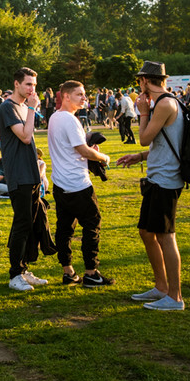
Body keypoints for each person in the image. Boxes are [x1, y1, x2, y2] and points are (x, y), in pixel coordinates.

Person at [116, 61, 186, 311]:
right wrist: (140, 158)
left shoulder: (165, 104)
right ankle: (161, 286)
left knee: (166, 236)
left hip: (166, 181)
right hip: (157, 177)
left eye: (139, 81)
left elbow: (144, 138)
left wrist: (143, 112)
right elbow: (163, 144)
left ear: (145, 80)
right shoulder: (165, 103)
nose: (138, 85)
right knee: (147, 232)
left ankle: (175, 297)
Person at [48, 81, 114, 288]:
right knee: (92, 225)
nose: (84, 98)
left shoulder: (54, 118)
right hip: (77, 183)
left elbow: (75, 147)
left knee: (65, 228)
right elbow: (83, 150)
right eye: (79, 94)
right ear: (66, 96)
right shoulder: (69, 119)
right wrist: (103, 157)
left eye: (84, 94)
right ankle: (91, 273)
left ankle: (68, 271)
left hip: (60, 182)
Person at [0, 67, 54, 291]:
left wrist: (40, 168)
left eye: (34, 85)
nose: (32, 89)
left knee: (30, 223)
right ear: (16, 84)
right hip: (18, 176)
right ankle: (15, 275)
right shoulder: (7, 107)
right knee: (22, 224)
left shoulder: (23, 107)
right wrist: (32, 108)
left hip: (31, 174)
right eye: (28, 84)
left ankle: (24, 269)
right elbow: (25, 136)